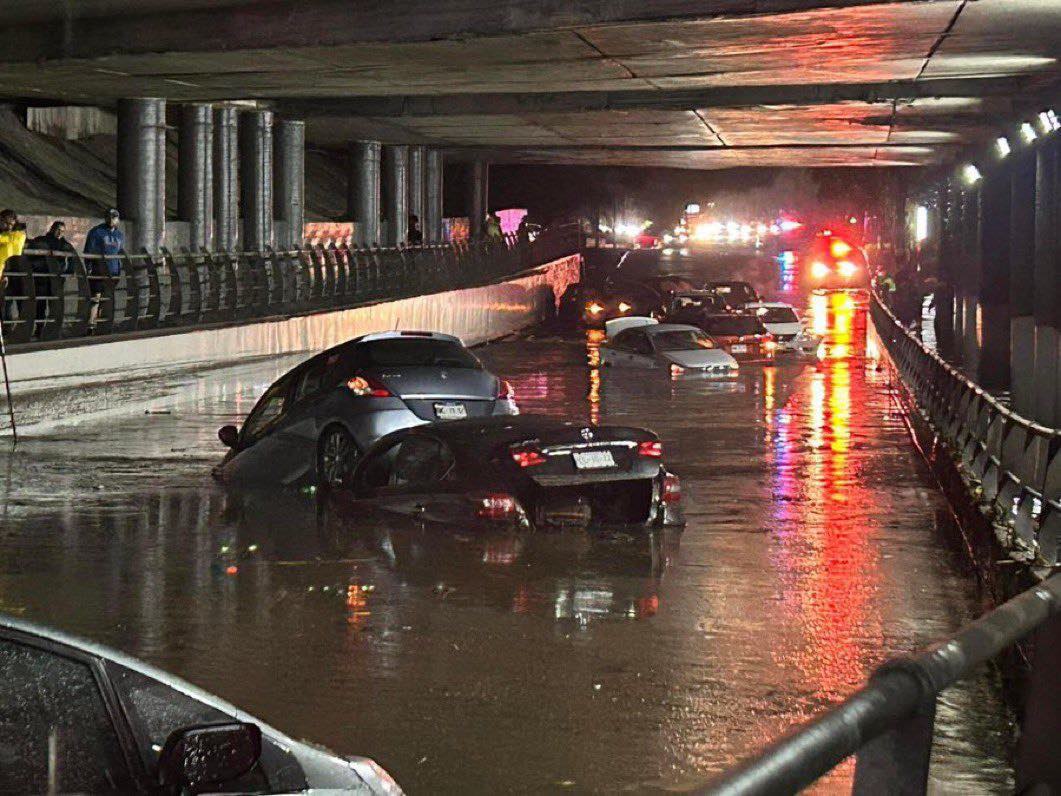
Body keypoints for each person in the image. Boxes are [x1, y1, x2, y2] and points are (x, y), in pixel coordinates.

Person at [28, 221, 76, 330]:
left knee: (54, 303)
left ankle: (50, 327)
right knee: (41, 303)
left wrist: (70, 271)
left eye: (62, 231)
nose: (60, 233)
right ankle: (40, 327)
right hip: (43, 276)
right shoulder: (42, 241)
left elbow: (73, 257)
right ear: (52, 229)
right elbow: (31, 254)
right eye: (58, 230)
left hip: (56, 278)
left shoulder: (64, 244)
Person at [84, 209, 124, 326]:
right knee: (96, 297)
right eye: (109, 217)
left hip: (114, 271)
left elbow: (119, 252)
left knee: (106, 298)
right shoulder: (96, 232)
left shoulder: (119, 235)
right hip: (98, 270)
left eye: (114, 217)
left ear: (117, 219)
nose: (111, 220)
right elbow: (88, 251)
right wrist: (89, 267)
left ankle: (101, 322)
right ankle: (91, 323)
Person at [0, 209, 27, 322]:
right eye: (5, 223)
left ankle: (13, 327)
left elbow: (11, 243)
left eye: (10, 223)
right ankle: (6, 327)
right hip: (7, 269)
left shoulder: (17, 234)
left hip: (13, 269)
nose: (8, 226)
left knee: (13, 300)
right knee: (5, 302)